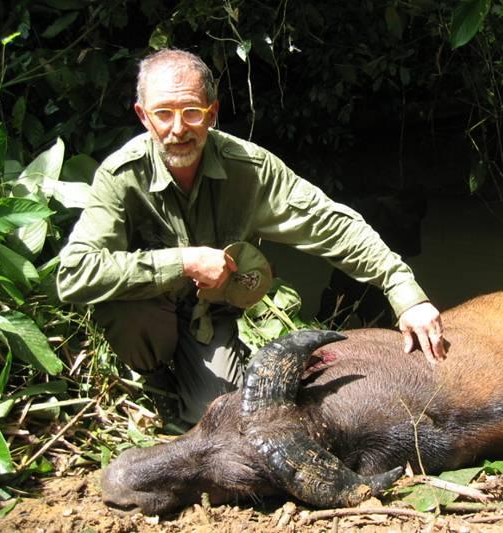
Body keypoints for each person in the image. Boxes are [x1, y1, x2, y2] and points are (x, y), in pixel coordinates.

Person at [57, 49, 446, 427]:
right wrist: (185, 262)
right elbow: (74, 273)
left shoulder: (250, 168)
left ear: (212, 113)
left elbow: (332, 224)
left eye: (192, 112)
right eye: (164, 113)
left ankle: (196, 379)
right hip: (148, 308)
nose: (178, 129)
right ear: (144, 116)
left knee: (220, 416)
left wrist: (404, 292)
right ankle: (155, 375)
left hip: (210, 315)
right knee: (129, 312)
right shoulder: (121, 174)